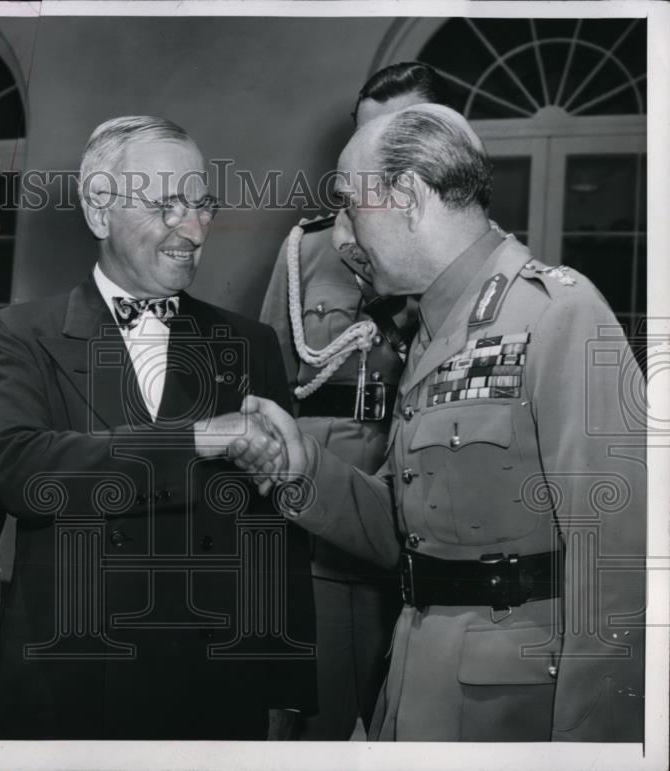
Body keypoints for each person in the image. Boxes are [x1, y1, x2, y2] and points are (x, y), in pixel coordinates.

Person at [233, 104, 646, 741]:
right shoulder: (430, 330)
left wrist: (596, 749)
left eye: (350, 205)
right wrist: (301, 469)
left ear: (406, 194)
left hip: (510, 717)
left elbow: (618, 568)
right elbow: (411, 529)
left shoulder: (558, 313)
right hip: (418, 689)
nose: (342, 234)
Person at [0, 115, 317, 740]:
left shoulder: (249, 343)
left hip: (215, 686)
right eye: (168, 205)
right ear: (99, 210)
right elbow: (23, 472)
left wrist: (285, 683)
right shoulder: (19, 335)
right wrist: (194, 439)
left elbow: (277, 532)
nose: (194, 229)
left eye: (203, 205)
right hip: (73, 683)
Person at [258, 62, 439, 738]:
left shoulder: (473, 256)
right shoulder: (308, 249)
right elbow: (269, 386)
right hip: (328, 531)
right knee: (317, 719)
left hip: (430, 518)